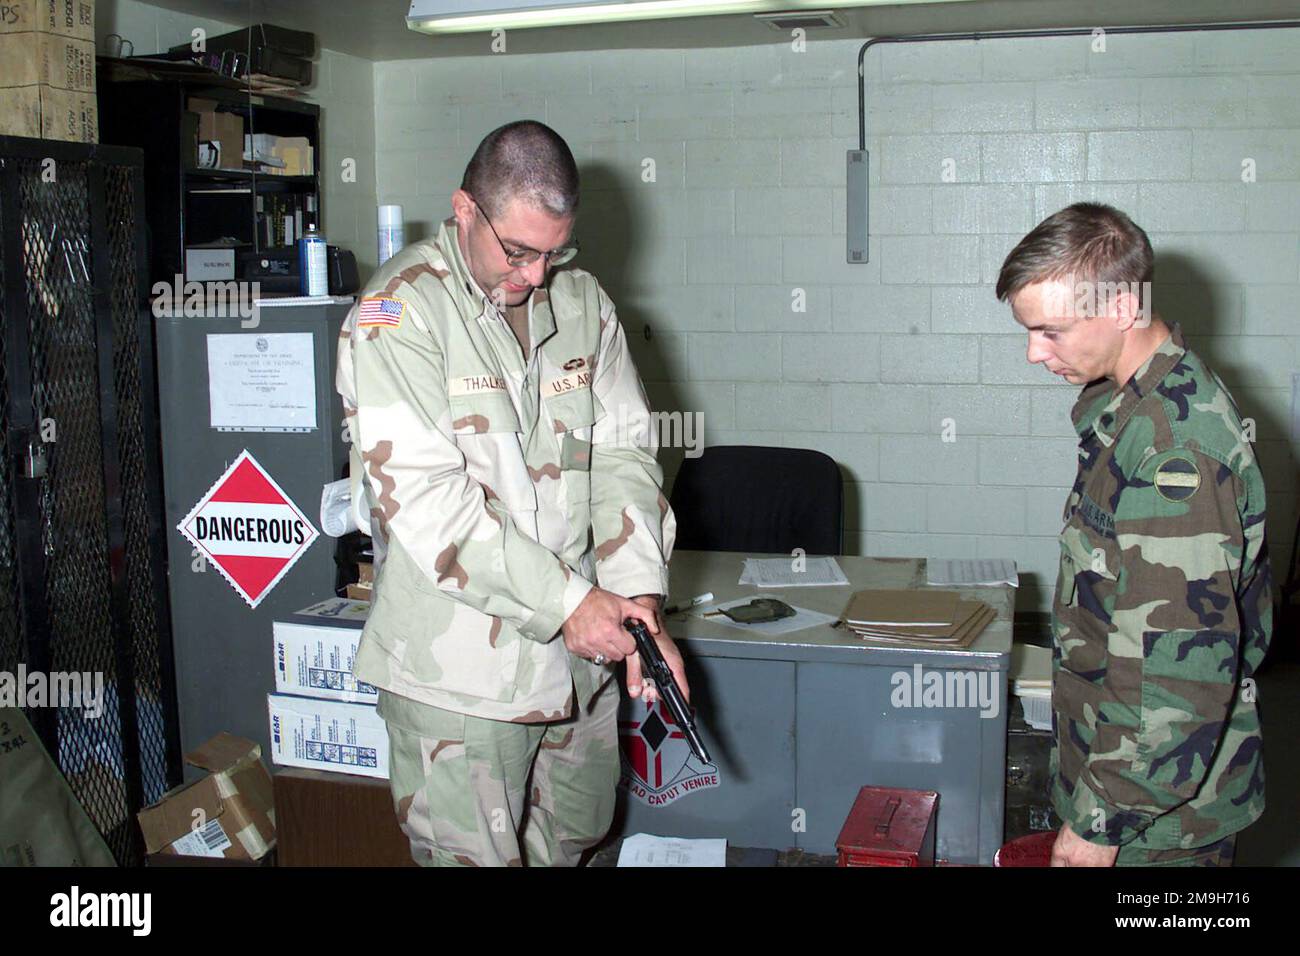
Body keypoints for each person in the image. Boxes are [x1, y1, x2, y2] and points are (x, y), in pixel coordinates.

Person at [336, 120, 685, 866]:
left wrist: (638, 601)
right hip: (461, 682)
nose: (534, 276)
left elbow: (624, 455)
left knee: (582, 838)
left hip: (580, 664)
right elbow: (432, 507)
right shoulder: (398, 314)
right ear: (464, 210)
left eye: (554, 252)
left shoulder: (584, 305)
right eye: (518, 252)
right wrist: (567, 605)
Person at [996, 203, 1272, 867]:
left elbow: (1175, 669)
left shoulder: (1175, 452)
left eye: (1050, 331)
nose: (1034, 351)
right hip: (1129, 778)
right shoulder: (1131, 407)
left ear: (1122, 308)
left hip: (1157, 816)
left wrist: (1098, 823)